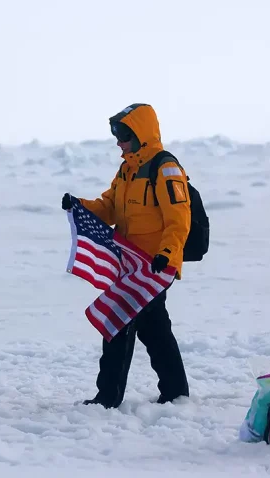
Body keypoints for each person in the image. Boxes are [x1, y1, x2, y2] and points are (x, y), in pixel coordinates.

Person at [61, 103, 191, 409]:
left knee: (118, 322)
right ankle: (176, 392)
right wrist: (79, 205)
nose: (118, 142)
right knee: (154, 329)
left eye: (123, 135)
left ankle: (108, 397)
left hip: (155, 266)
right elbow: (109, 208)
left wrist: (166, 253)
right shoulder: (127, 169)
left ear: (140, 134)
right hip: (131, 265)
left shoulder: (165, 168)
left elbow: (179, 218)